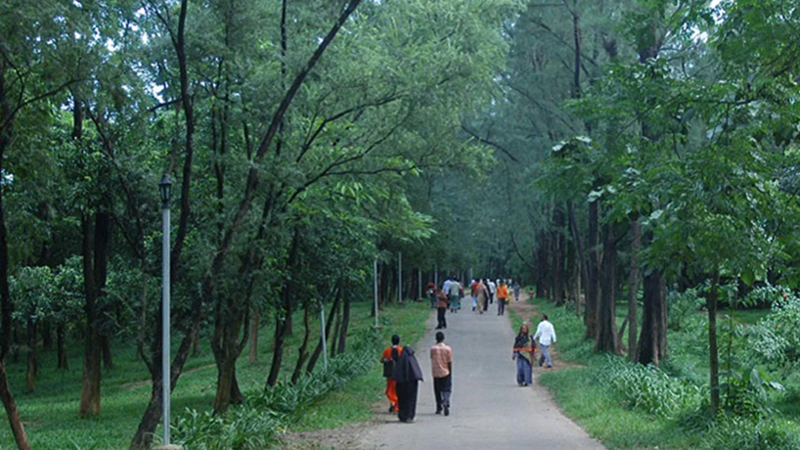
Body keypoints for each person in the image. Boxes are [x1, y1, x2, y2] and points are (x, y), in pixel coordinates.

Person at [393, 345, 423, 423]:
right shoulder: (412, 359)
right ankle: (410, 415)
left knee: (402, 399)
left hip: (402, 383)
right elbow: (416, 371)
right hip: (412, 383)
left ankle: (403, 415)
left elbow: (397, 373)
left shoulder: (401, 360)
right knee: (411, 400)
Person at [430, 331, 453, 416]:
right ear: (443, 339)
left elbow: (432, 358)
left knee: (437, 390)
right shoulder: (448, 349)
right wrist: (450, 371)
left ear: (436, 339)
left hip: (436, 372)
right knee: (446, 389)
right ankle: (446, 401)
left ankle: (438, 408)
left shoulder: (433, 349)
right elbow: (449, 361)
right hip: (445, 371)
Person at [381, 335, 403, 412]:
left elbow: (382, 359)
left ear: (391, 341)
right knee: (398, 389)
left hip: (390, 373)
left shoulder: (387, 350)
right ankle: (397, 405)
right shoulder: (401, 350)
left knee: (390, 389)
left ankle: (392, 402)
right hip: (399, 373)